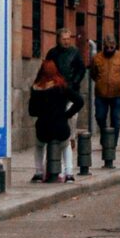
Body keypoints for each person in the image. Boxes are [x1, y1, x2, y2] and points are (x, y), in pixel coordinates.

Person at [27, 50, 74, 180]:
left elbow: (31, 111)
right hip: (61, 126)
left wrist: (42, 112)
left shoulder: (36, 88)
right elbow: (79, 101)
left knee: (39, 146)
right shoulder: (62, 87)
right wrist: (67, 114)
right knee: (66, 145)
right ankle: (69, 172)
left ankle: (38, 172)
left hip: (43, 128)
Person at [91, 34, 120, 140]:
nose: (109, 49)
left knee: (115, 119)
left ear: (115, 46)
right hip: (101, 93)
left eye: (111, 47)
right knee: (99, 116)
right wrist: (100, 82)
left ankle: (113, 142)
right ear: (103, 46)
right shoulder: (97, 58)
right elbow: (93, 74)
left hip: (117, 93)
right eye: (107, 47)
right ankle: (104, 136)